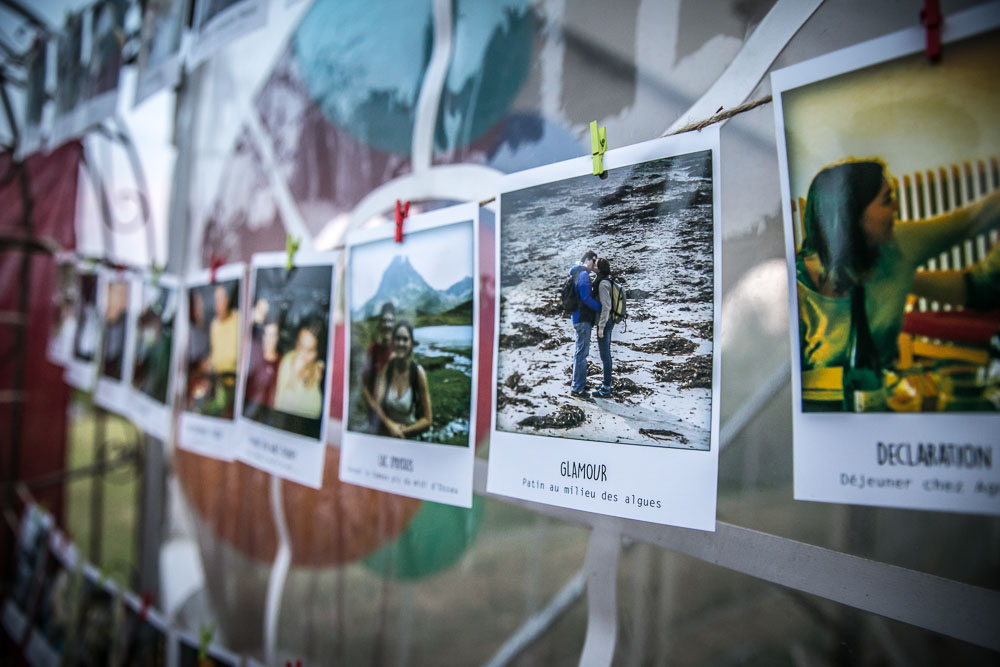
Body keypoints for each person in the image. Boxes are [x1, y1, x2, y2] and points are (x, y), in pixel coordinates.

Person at [796, 159, 1000, 371]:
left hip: (885, 396)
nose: (897, 206)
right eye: (886, 200)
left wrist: (904, 277)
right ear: (851, 216)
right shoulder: (795, 292)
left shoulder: (897, 243)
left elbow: (971, 220)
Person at [374, 321, 432, 438]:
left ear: (411, 344)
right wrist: (390, 425)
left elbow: (427, 419)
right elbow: (376, 404)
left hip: (410, 436)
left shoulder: (418, 373)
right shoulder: (387, 369)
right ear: (393, 343)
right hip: (388, 434)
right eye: (398, 339)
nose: (401, 343)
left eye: (405, 339)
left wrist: (402, 432)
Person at [569, 250, 603, 398]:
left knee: (580, 352)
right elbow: (585, 298)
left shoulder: (575, 273)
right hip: (582, 319)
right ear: (587, 259)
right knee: (582, 353)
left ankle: (578, 383)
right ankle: (577, 388)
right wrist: (602, 308)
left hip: (577, 317)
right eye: (593, 261)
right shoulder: (583, 275)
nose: (594, 265)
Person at [274, 321, 325, 419]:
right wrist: (293, 374)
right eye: (300, 345)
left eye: (309, 350)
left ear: (317, 352)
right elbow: (279, 404)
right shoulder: (288, 361)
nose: (301, 354)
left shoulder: (322, 372)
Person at [361, 302, 396, 431]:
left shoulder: (399, 348)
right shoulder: (373, 349)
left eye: (390, 321)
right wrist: (373, 406)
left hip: (394, 412)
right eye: (385, 321)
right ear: (380, 323)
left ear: (394, 323)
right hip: (375, 413)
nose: (387, 324)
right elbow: (364, 385)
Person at [244, 315, 281, 416]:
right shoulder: (254, 356)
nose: (269, 339)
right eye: (266, 334)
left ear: (277, 338)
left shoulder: (281, 363)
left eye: (273, 335)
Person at [592, 257, 615, 398]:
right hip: (608, 321)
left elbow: (606, 307)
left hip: (605, 323)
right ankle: (605, 383)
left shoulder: (603, 284)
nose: (593, 266)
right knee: (605, 354)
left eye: (596, 265)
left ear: (600, 268)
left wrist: (601, 327)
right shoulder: (605, 280)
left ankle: (606, 388)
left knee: (605, 355)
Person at [209, 283, 238, 374]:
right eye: (215, 300)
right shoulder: (214, 324)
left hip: (235, 376)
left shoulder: (238, 319)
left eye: (220, 300)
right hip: (219, 377)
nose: (217, 305)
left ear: (227, 300)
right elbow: (214, 356)